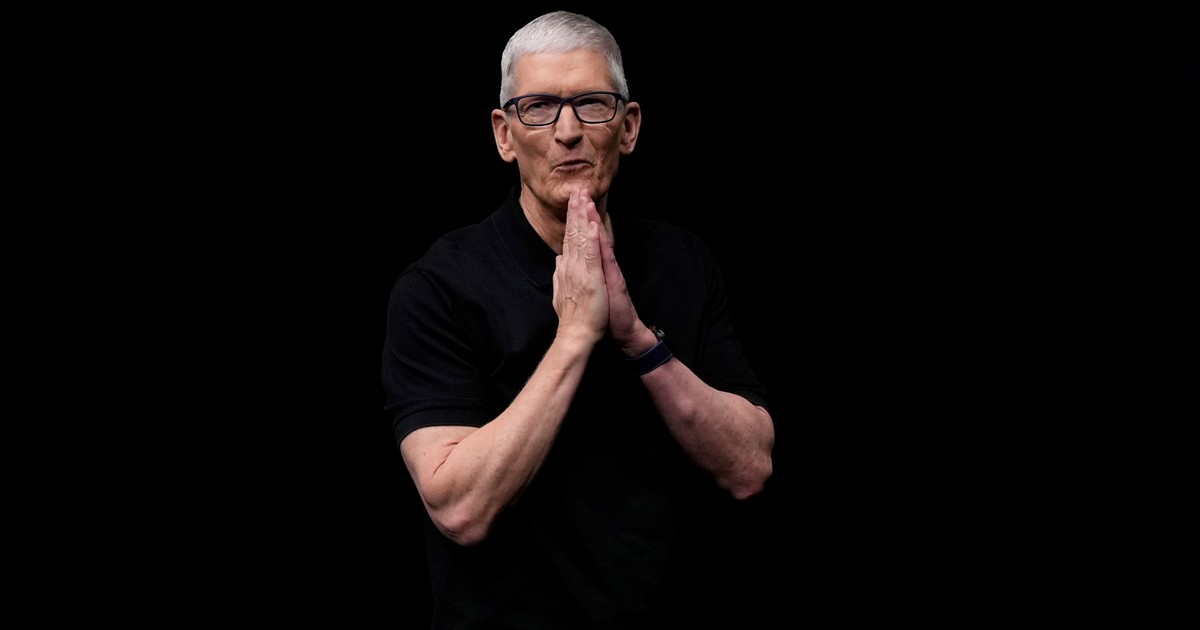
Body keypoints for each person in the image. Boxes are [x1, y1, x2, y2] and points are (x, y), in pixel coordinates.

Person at [381, 10, 775, 628]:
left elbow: (750, 468)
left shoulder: (683, 262)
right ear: (504, 135)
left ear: (629, 126)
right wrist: (575, 336)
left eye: (591, 104)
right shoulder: (438, 288)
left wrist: (637, 340)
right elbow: (459, 509)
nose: (568, 131)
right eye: (538, 107)